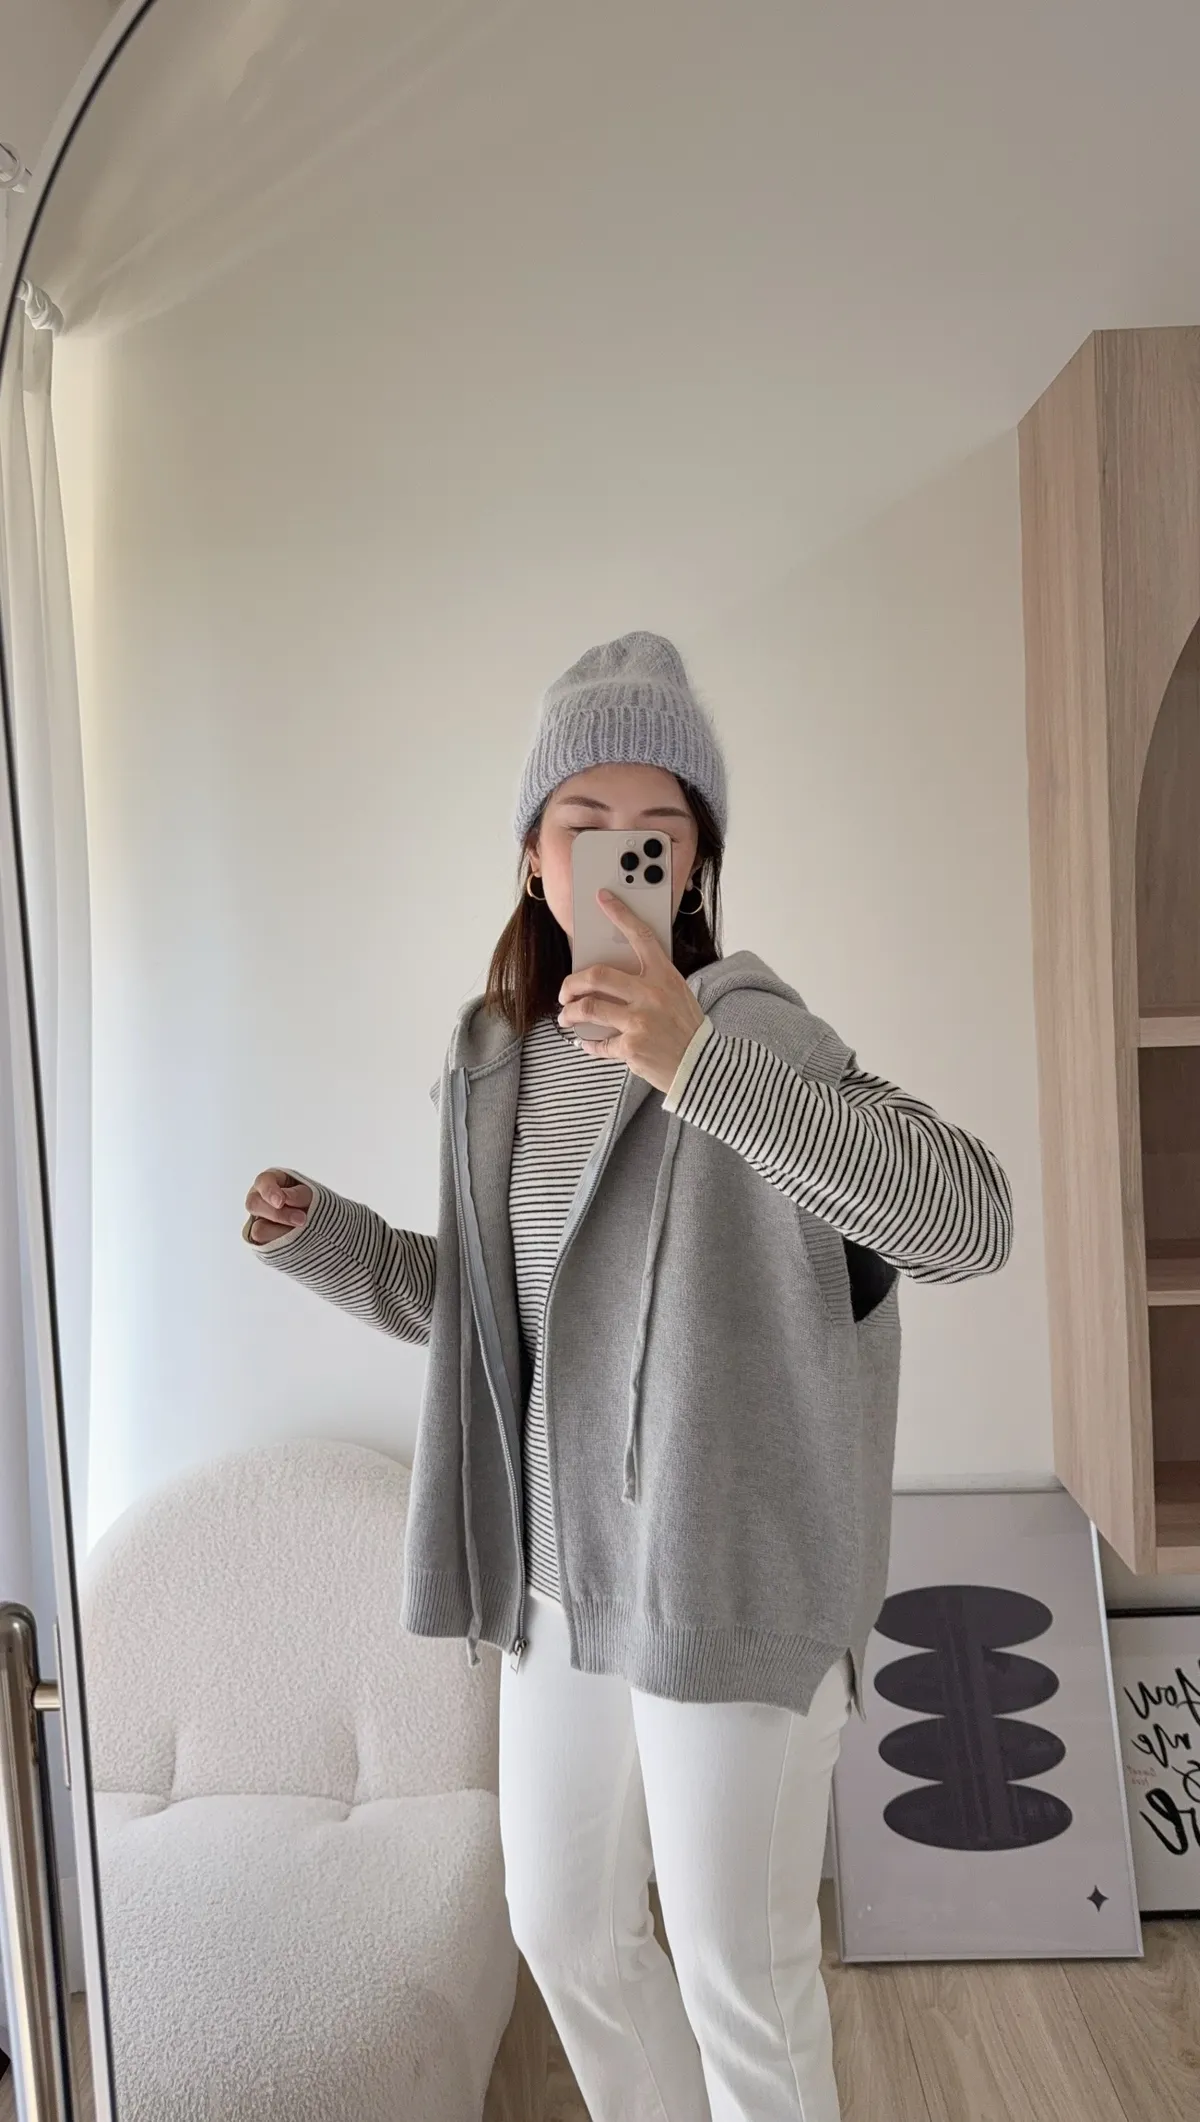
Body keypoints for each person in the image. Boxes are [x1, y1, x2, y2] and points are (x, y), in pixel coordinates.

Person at [243, 631, 1012, 2122]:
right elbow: (490, 1320)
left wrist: (698, 1064)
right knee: (567, 1935)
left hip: (727, 1580)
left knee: (742, 1975)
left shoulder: (763, 1040)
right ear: (533, 860)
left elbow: (966, 1217)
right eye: (582, 823)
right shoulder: (495, 1062)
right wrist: (324, 1240)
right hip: (560, 1584)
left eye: (653, 830)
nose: (617, 854)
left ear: (696, 863)